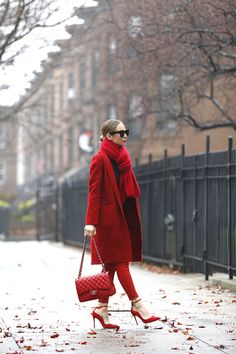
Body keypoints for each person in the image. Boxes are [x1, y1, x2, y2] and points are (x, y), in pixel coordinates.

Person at [84, 119, 160, 329]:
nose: (125, 135)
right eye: (120, 133)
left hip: (122, 217)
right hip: (107, 222)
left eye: (126, 132)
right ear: (108, 136)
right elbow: (94, 193)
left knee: (110, 265)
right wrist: (90, 222)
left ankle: (101, 308)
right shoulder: (99, 160)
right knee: (121, 262)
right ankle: (137, 304)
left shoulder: (122, 158)